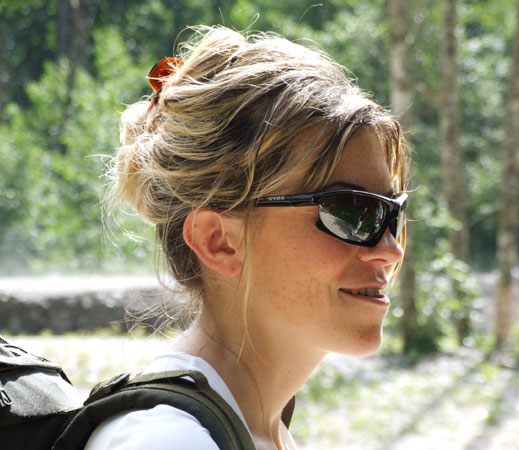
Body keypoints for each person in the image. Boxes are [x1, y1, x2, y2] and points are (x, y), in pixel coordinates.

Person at [86, 25, 409, 450]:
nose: (390, 249)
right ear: (218, 241)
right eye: (349, 211)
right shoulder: (170, 440)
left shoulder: (254, 430)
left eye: (393, 213)